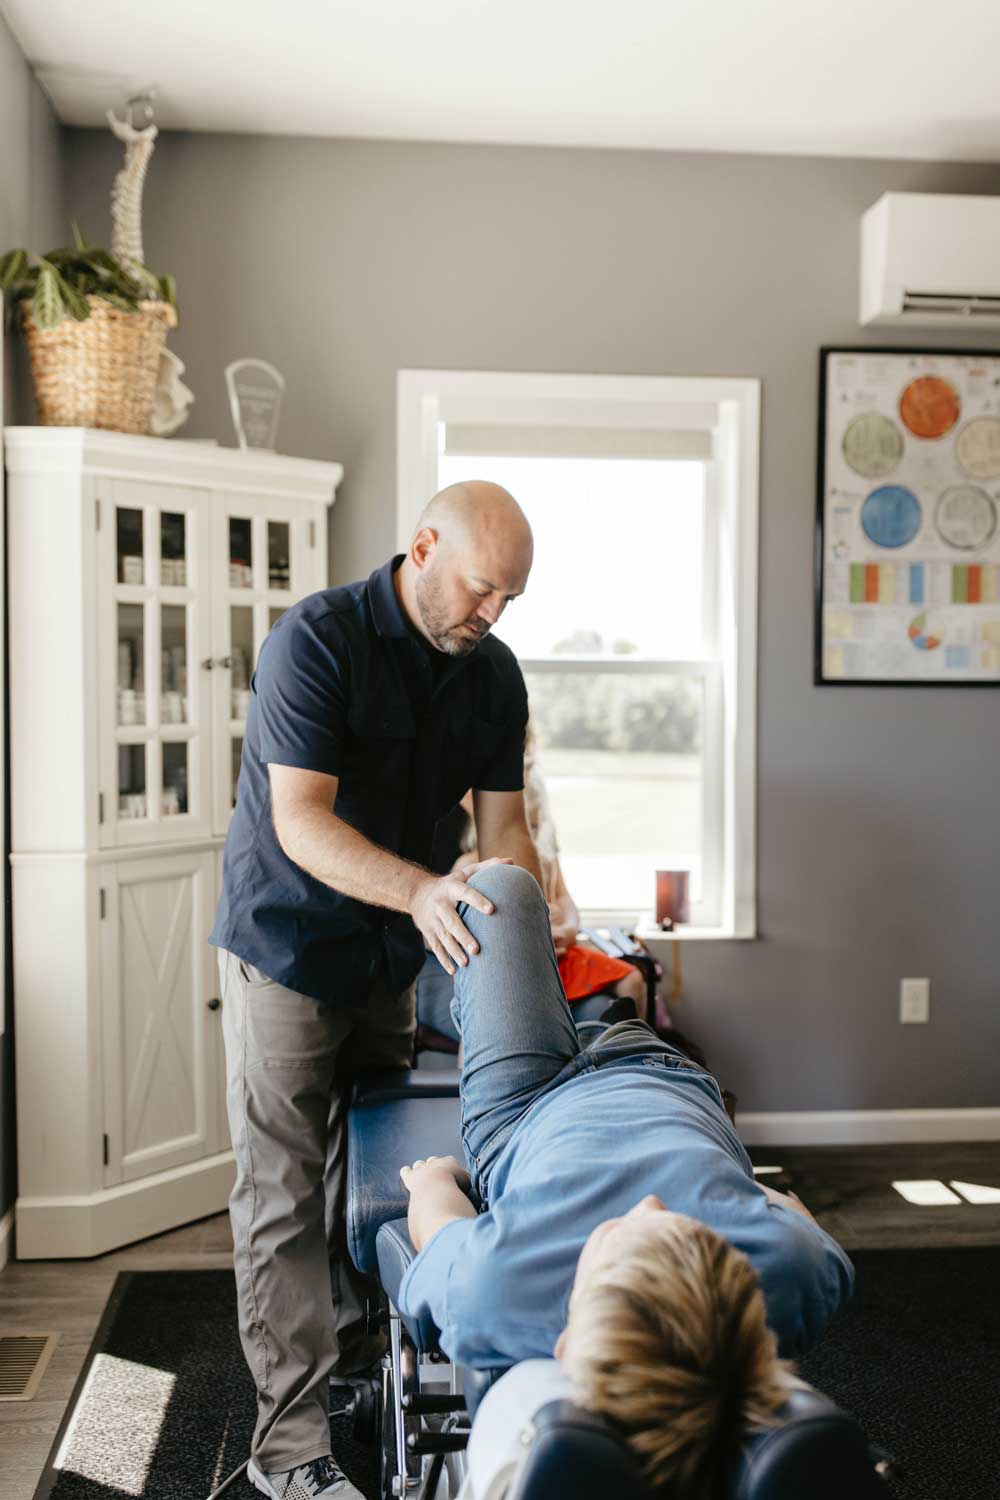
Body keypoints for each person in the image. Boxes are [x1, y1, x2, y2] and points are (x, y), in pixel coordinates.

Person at [209, 481, 542, 1500]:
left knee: (371, 1188)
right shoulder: (315, 640)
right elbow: (301, 820)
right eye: (484, 589)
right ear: (424, 545)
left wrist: (529, 943)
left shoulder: (492, 675)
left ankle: (353, 1373)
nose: (492, 614)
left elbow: (504, 832)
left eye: (510, 600)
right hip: (289, 945)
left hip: (395, 954)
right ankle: (288, 1450)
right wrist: (422, 891)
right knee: (283, 1195)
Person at [398, 864, 854, 1500]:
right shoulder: (779, 1272)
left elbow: (436, 1225)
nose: (649, 1200)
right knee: (597, 966)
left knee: (499, 888)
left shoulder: (498, 1286)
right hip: (659, 1069)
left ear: (563, 1337)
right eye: (687, 1231)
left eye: (626, 1232)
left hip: (522, 1109)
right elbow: (788, 1206)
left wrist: (431, 1181)